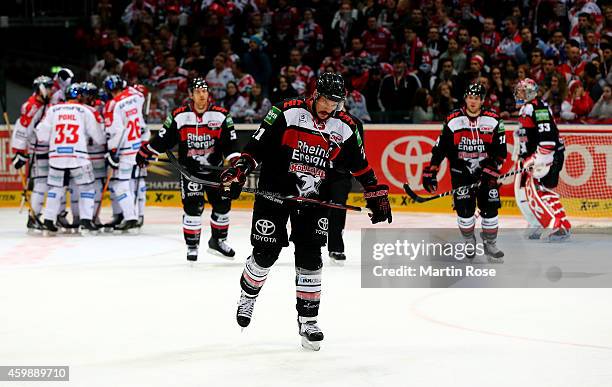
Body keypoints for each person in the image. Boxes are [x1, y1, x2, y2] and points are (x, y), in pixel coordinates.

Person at [219, 73, 392, 350]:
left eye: (334, 102)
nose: (327, 107)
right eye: (324, 100)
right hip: (275, 190)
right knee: (266, 253)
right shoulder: (286, 112)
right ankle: (248, 296)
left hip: (314, 197)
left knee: (311, 257)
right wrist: (240, 170)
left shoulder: (345, 126)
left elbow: (360, 165)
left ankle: (308, 321)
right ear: (315, 94)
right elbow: (255, 148)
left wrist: (374, 191)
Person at [137, 78, 240, 261]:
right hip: (190, 172)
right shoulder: (179, 115)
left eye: (205, 91)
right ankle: (192, 246)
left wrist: (236, 164)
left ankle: (217, 241)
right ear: (191, 94)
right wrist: (147, 151)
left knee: (223, 206)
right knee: (193, 208)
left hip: (215, 171)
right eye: (198, 91)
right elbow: (163, 139)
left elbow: (230, 144)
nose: (202, 94)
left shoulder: (222, 115)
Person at [422, 83, 507, 262]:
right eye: (470, 97)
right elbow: (440, 148)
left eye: (477, 98)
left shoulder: (494, 120)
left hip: (485, 173)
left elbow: (501, 150)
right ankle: (469, 240)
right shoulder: (453, 119)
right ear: (465, 98)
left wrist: (492, 167)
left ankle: (490, 244)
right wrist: (432, 170)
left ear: (482, 100)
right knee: (464, 212)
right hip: (461, 172)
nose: (473, 101)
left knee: (490, 209)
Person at [35, 84, 106, 234]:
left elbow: (41, 134)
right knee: (87, 187)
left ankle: (48, 220)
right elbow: (99, 137)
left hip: (56, 156)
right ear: (79, 96)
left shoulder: (53, 109)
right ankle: (86, 221)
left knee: (56, 188)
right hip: (78, 155)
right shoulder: (86, 110)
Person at [513, 78, 571, 241]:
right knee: (521, 192)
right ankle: (536, 222)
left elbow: (547, 139)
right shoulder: (526, 108)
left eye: (522, 91)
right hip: (531, 157)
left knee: (540, 190)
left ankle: (559, 226)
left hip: (546, 155)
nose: (518, 93)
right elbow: (529, 134)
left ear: (530, 92)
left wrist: (538, 158)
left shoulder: (538, 108)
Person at [103, 75, 149, 232]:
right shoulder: (136, 96)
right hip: (138, 145)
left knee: (121, 185)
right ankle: (138, 215)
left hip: (125, 151)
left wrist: (112, 151)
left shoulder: (113, 104)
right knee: (136, 182)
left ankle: (130, 217)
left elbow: (116, 132)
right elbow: (141, 92)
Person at [10, 75, 54, 231]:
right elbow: (22, 129)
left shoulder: (45, 104)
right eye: (48, 87)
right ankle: (33, 216)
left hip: (47, 149)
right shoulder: (32, 106)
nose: (51, 91)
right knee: (41, 184)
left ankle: (43, 215)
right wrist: (19, 151)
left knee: (49, 184)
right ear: (41, 88)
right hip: (38, 151)